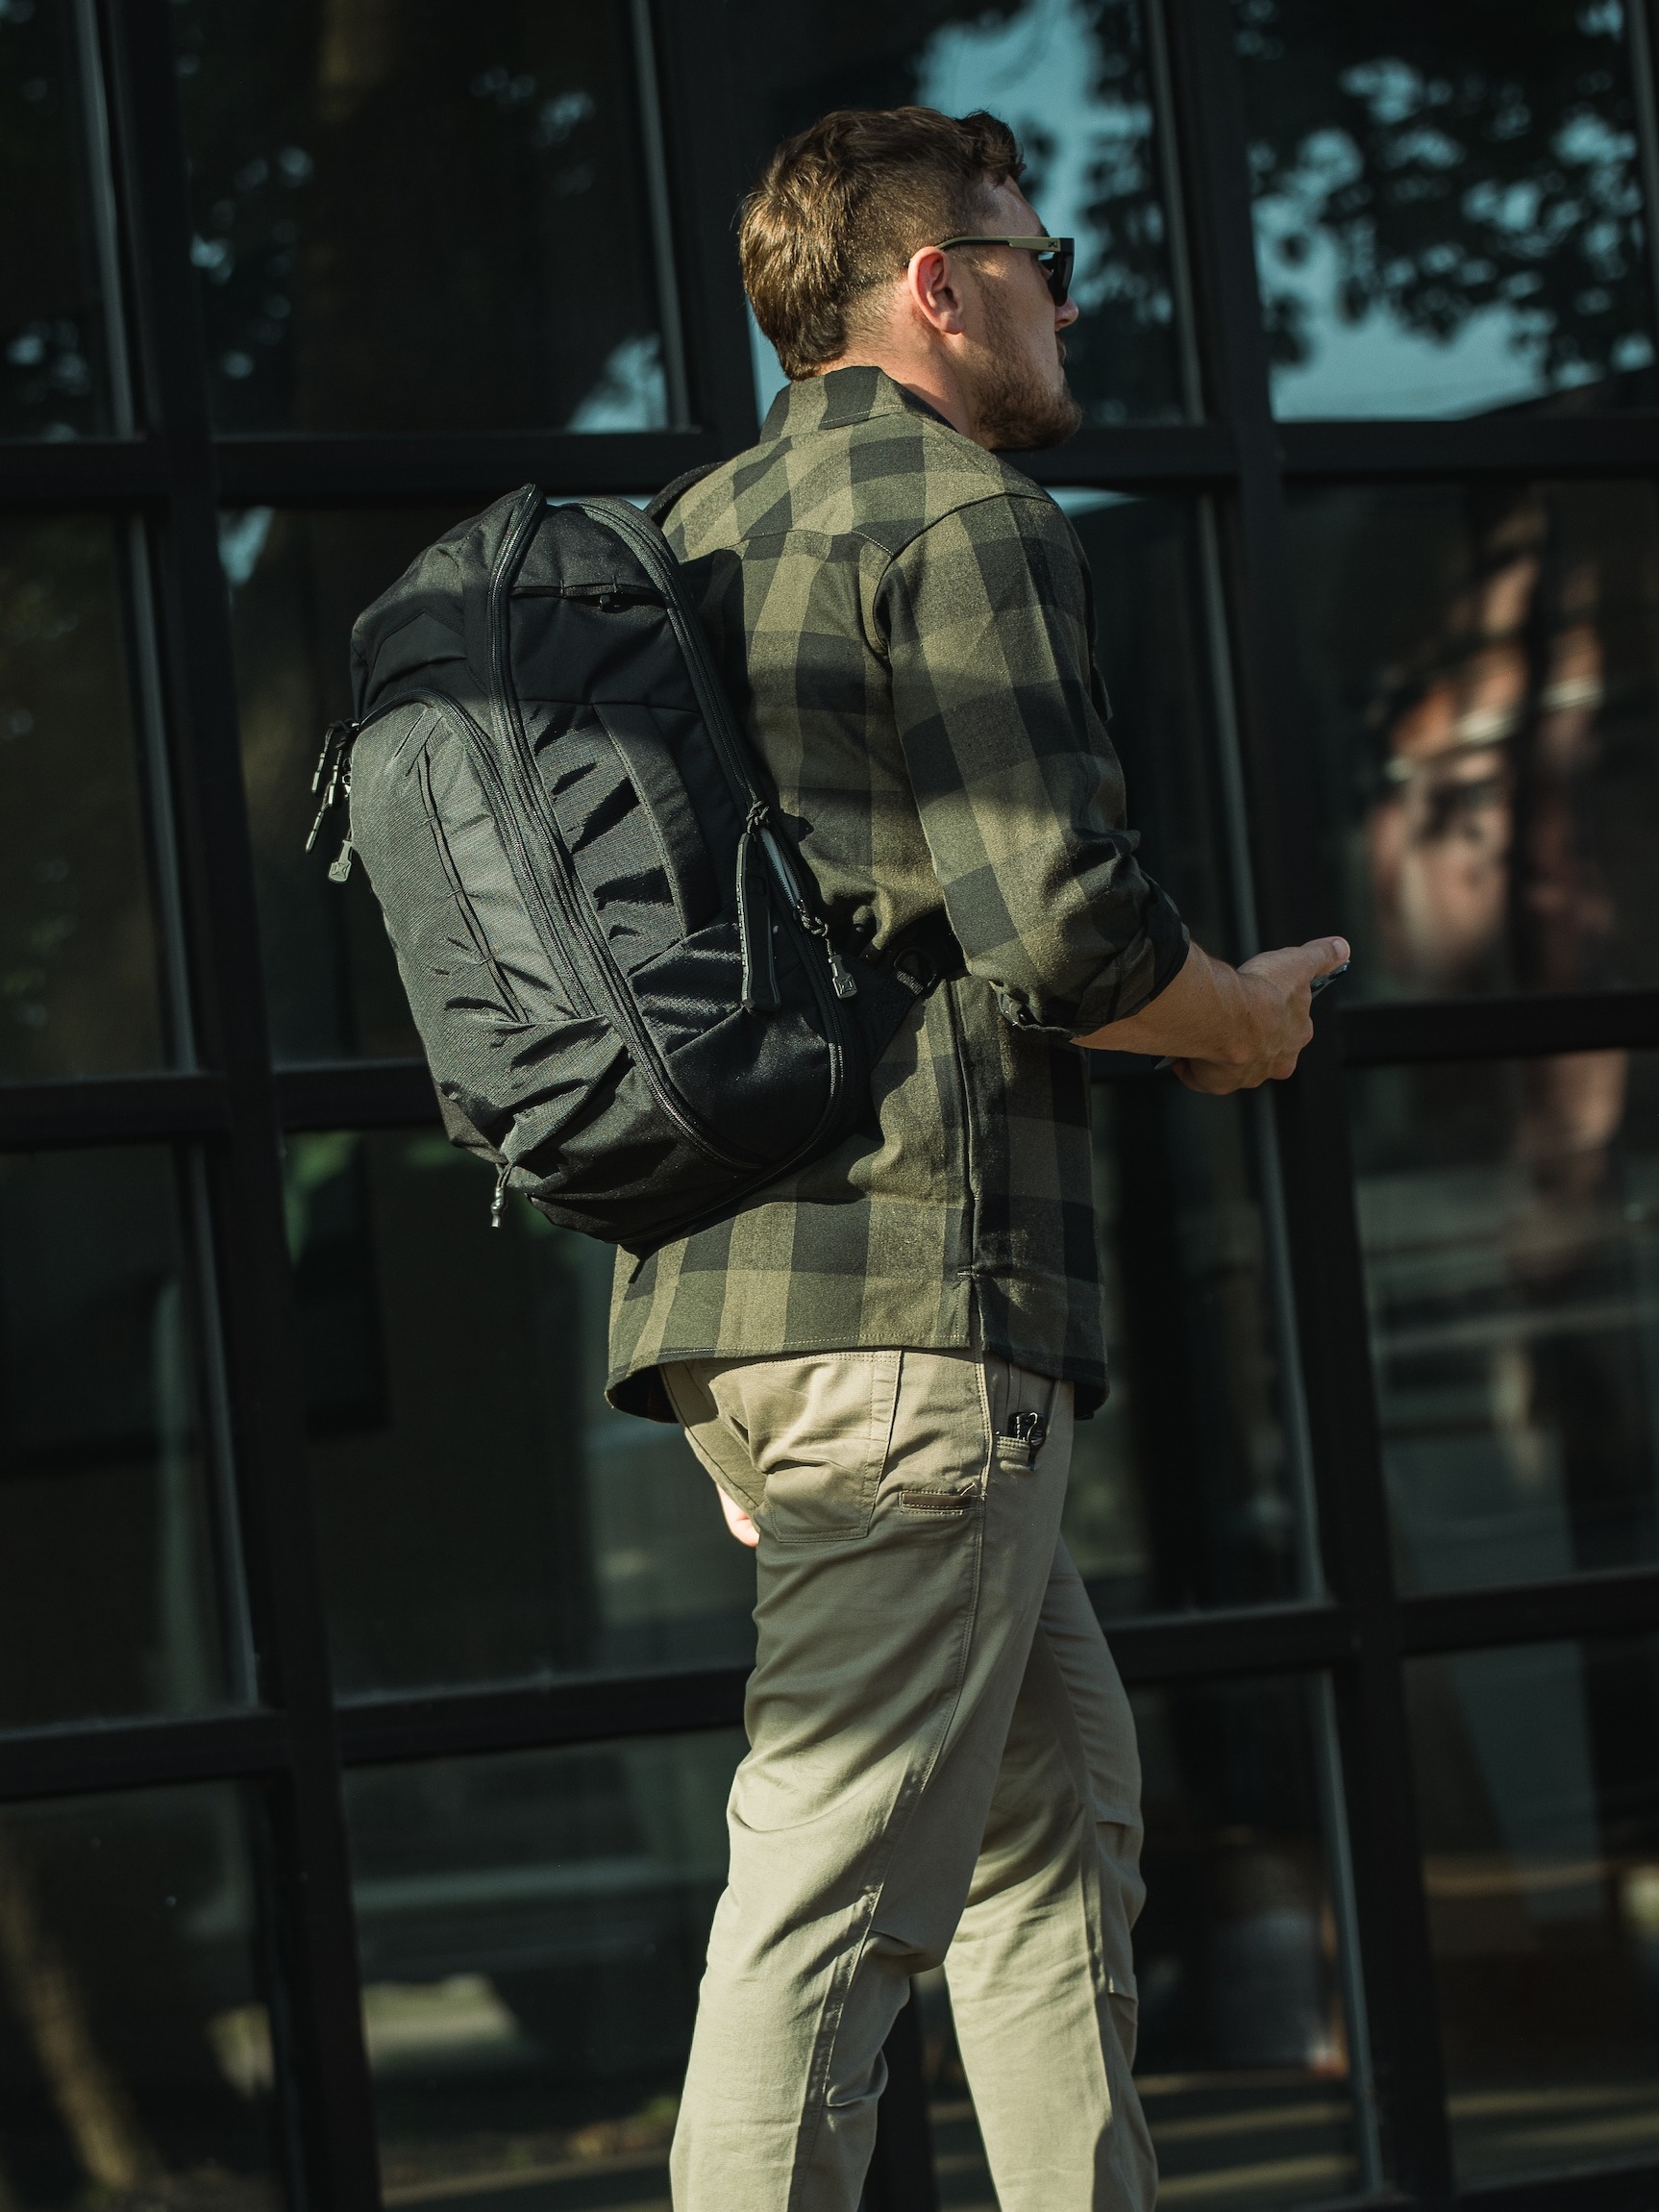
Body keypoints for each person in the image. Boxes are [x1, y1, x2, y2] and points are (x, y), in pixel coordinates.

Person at [605, 105, 1349, 2212]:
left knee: (1051, 1821)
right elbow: (1071, 931)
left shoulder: (696, 531)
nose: (1065, 298)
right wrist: (1241, 1015)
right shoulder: (957, 515)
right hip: (914, 1315)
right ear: (936, 286)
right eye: (1037, 257)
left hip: (745, 1319)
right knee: (828, 1889)